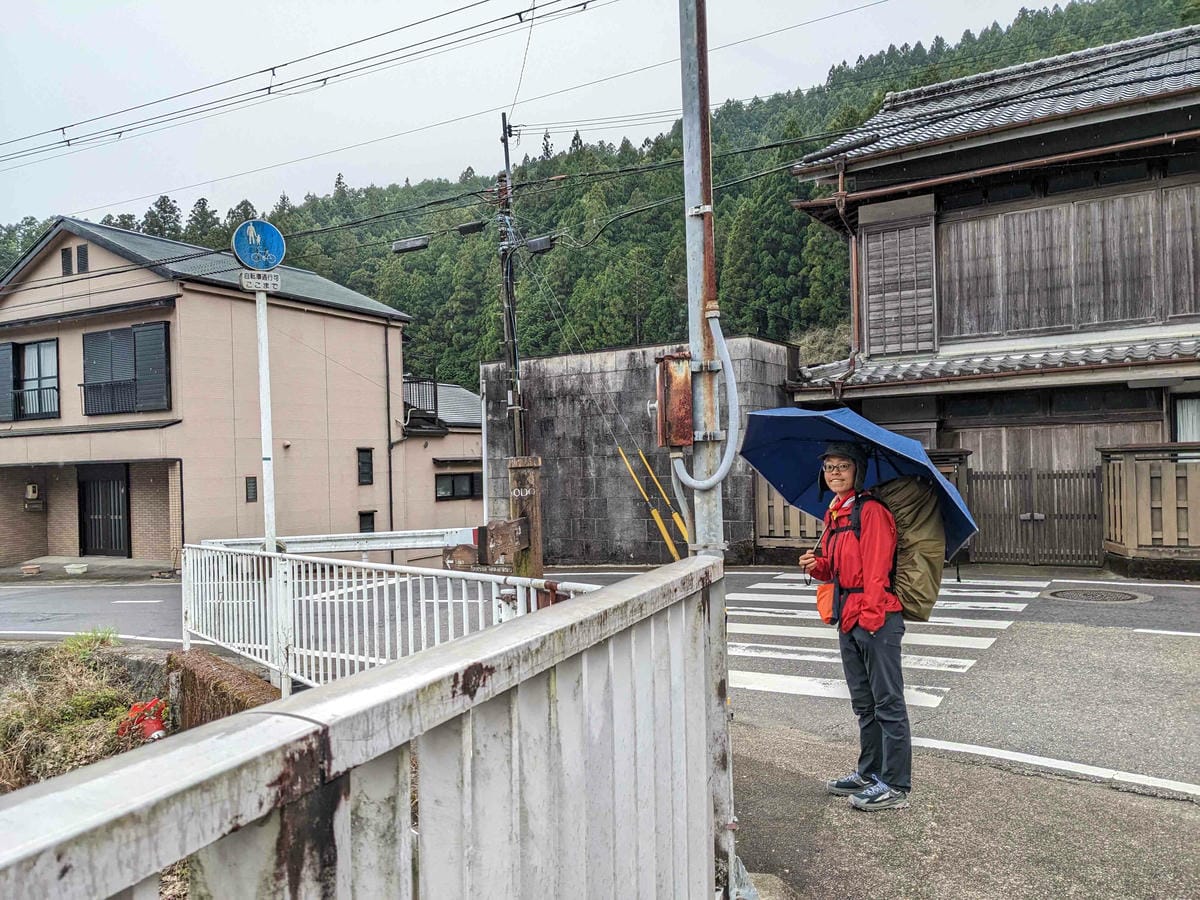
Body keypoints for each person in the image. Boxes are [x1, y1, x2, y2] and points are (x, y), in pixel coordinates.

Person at [797, 441, 912, 811]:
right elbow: (836, 569)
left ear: (857, 470)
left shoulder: (872, 512)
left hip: (874, 616)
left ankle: (895, 785)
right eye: (829, 467)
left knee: (888, 704)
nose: (834, 473)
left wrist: (873, 620)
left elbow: (877, 569)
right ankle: (869, 772)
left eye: (842, 466)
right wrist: (817, 566)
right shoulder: (835, 513)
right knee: (864, 704)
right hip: (848, 615)